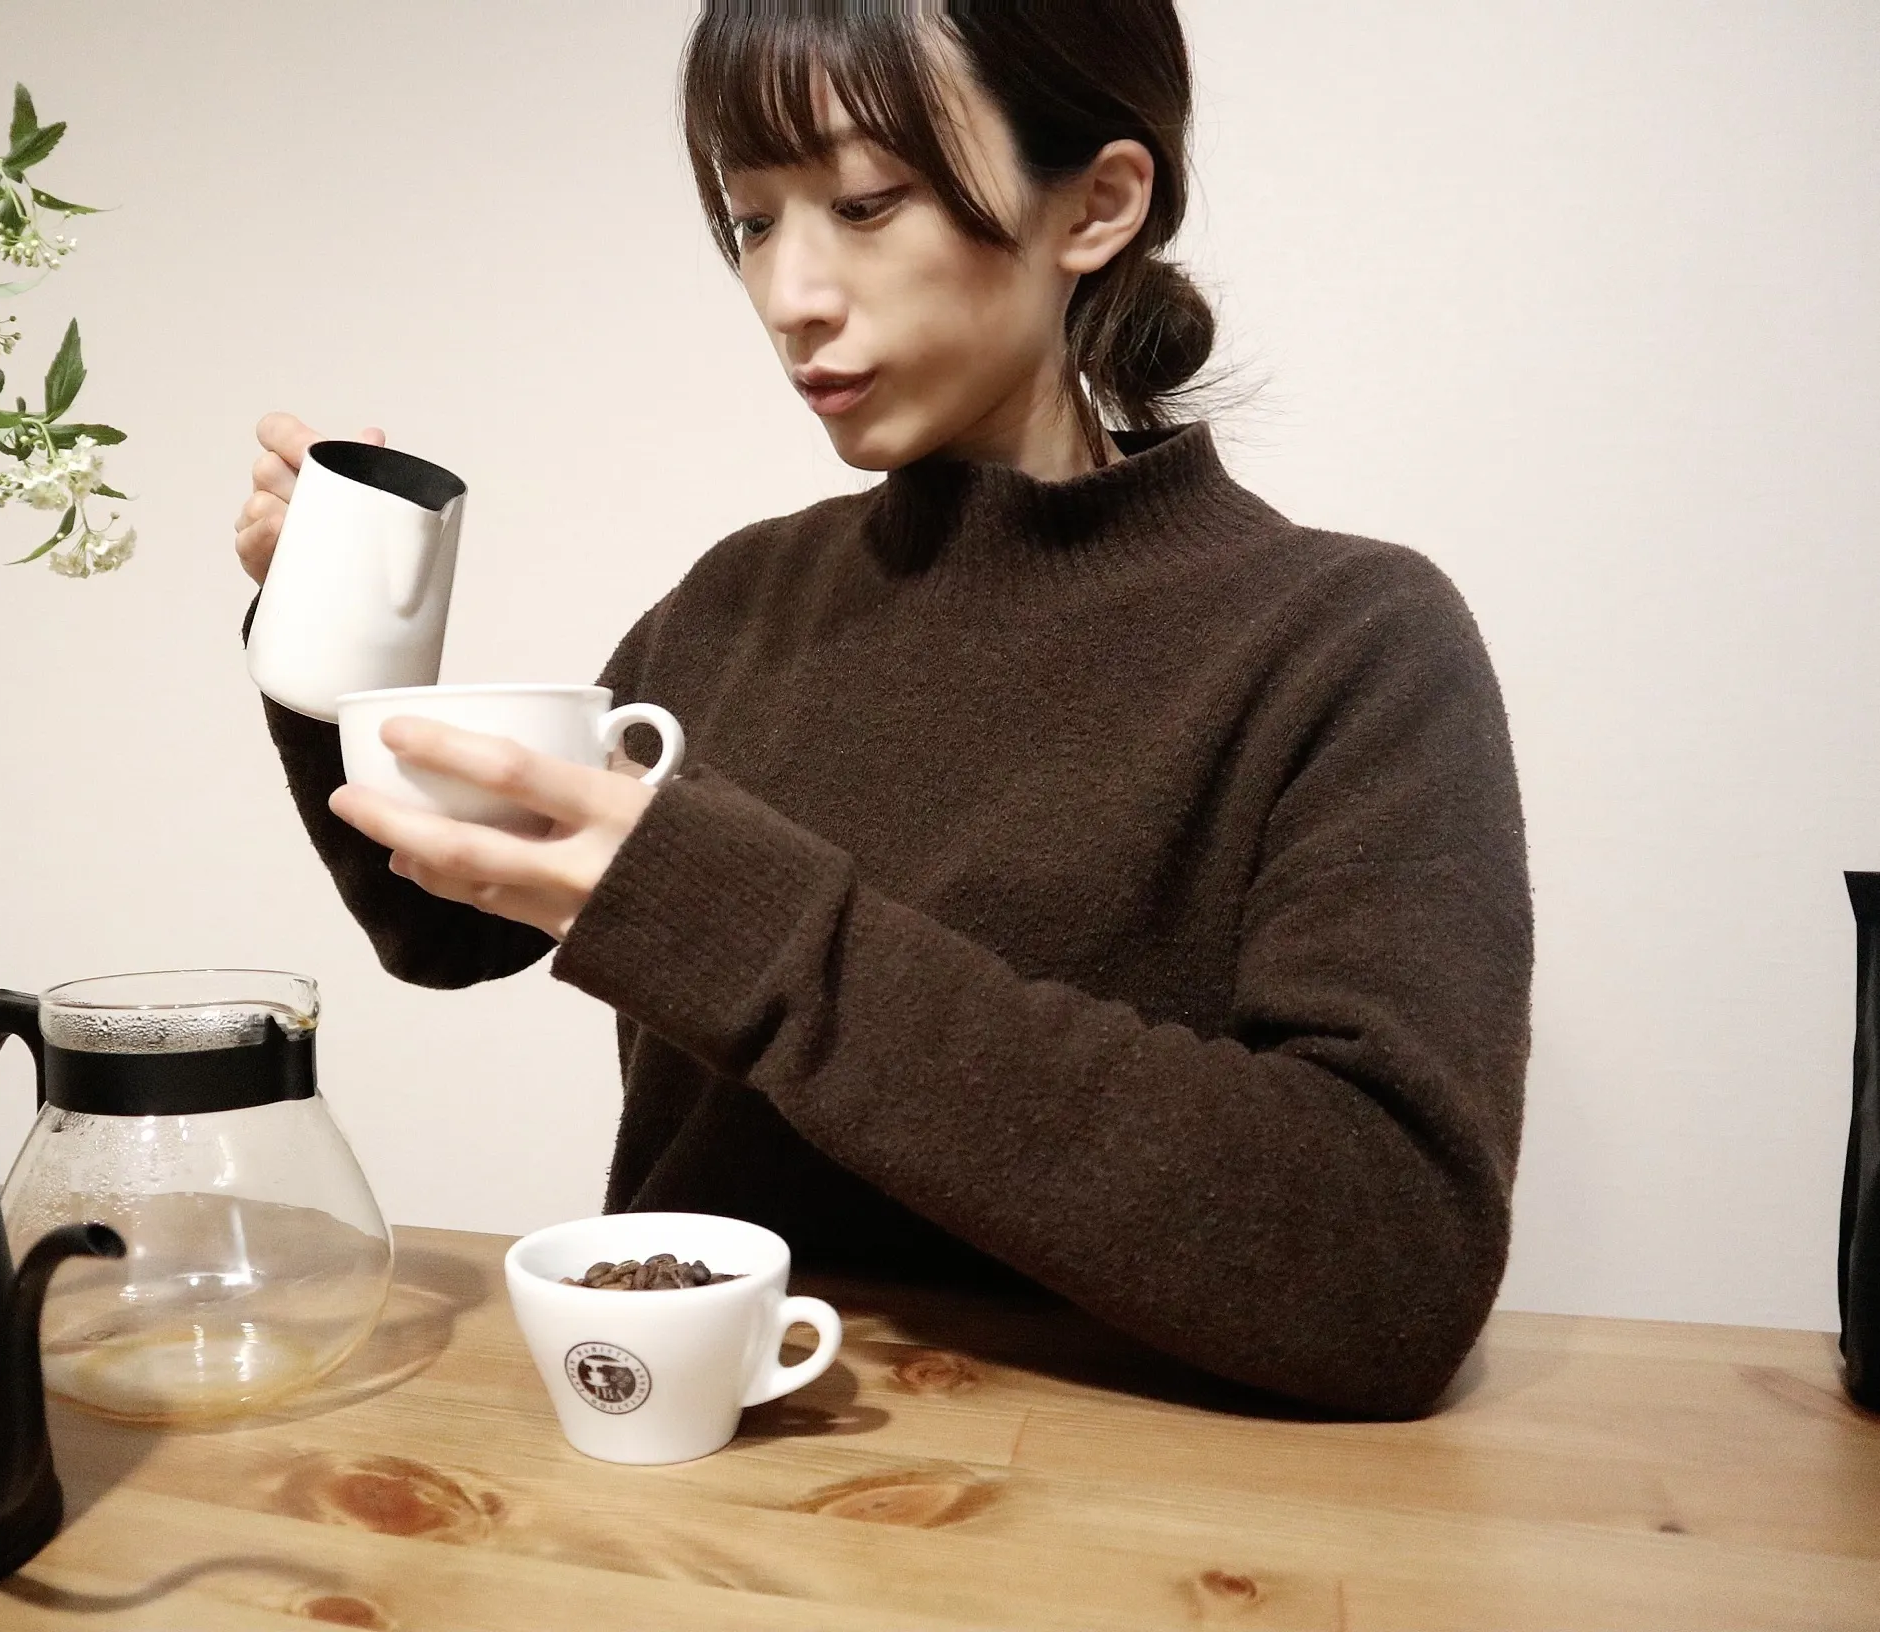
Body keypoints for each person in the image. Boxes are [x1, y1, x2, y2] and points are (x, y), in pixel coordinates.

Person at [231, 1, 1529, 1421]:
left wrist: (735, 921)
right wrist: (333, 644)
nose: (790, 296)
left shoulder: (1344, 640)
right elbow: (443, 921)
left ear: (1096, 204)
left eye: (864, 204)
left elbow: (1389, 1269)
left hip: (1135, 1497)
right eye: (750, 222)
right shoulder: (742, 599)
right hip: (698, 1454)